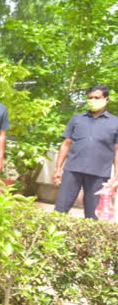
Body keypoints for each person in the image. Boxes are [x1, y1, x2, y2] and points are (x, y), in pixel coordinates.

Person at [53, 85, 118, 219]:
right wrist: (58, 168)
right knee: (60, 211)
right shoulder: (77, 119)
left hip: (99, 175)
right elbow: (66, 144)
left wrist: (116, 177)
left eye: (97, 97)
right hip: (72, 171)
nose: (93, 100)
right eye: (90, 98)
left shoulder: (115, 123)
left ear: (107, 99)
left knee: (93, 215)